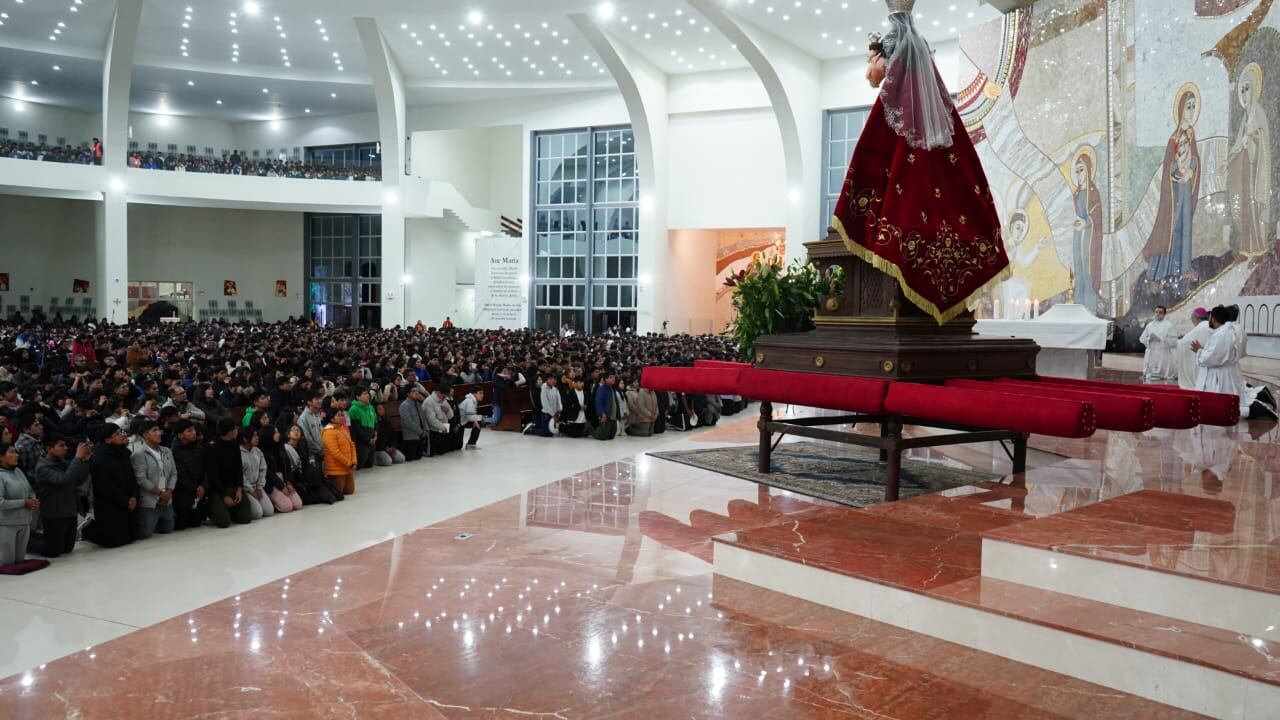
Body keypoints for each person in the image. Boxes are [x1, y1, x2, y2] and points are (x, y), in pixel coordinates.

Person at [831, 0, 1008, 324]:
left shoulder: (890, 57)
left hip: (903, 143)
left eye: (873, 58)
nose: (870, 66)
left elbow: (873, 81)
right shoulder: (921, 60)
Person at [33, 434, 91, 557]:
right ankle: (29, 540)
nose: (66, 448)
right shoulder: (42, 468)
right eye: (61, 445)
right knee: (54, 552)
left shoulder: (63, 463)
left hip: (70, 511)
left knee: (67, 550)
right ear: (49, 448)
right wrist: (77, 459)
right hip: (54, 515)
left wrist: (85, 461)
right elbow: (64, 481)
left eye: (65, 445)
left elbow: (78, 480)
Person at [87, 423, 137, 548]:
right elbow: (106, 487)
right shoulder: (99, 458)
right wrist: (126, 501)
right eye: (117, 434)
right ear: (107, 439)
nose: (122, 435)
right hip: (110, 504)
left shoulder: (124, 453)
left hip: (128, 500)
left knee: (132, 536)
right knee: (114, 541)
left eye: (121, 432)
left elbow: (132, 477)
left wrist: (133, 497)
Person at [130, 419, 177, 539]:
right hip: (150, 500)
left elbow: (173, 473)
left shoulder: (167, 451)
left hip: (167, 498)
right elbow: (141, 479)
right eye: (154, 430)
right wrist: (161, 493)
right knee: (145, 534)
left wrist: (168, 492)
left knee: (168, 529)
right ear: (145, 435)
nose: (159, 433)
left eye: (159, 430)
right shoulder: (138, 455)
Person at [206, 419, 252, 528]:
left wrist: (240, 489)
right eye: (235, 429)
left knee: (246, 518)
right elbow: (213, 476)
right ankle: (210, 509)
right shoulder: (212, 448)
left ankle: (229, 510)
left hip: (235, 488)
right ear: (229, 432)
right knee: (224, 523)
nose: (237, 431)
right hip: (219, 490)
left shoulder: (235, 445)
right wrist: (224, 496)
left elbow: (238, 469)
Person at [1191, 306, 1243, 400]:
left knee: (1218, 401)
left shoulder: (1221, 335)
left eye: (1209, 318)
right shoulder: (1232, 330)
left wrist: (1199, 351)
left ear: (1213, 319)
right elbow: (1219, 353)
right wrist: (1204, 350)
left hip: (1220, 376)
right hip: (1229, 371)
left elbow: (1210, 358)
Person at [0, 443, 38, 566]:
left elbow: (29, 489)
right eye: (11, 452)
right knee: (6, 563)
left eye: (16, 452)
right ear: (1, 456)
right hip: (6, 524)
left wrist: (33, 499)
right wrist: (24, 503)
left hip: (24, 522)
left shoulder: (18, 471)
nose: (16, 455)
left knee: (20, 561)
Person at [169, 420, 209, 530]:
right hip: (183, 492)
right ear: (180, 435)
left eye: (194, 430)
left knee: (196, 522)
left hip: (200, 492)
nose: (194, 433)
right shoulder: (174, 451)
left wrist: (203, 486)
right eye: (189, 431)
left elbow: (207, 469)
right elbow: (180, 475)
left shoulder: (200, 449)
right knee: (181, 525)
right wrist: (195, 488)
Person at [258, 426, 302, 513]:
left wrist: (289, 482)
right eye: (275, 432)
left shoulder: (280, 447)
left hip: (284, 481)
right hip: (272, 483)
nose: (278, 434)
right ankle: (272, 500)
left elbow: (288, 466)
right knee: (287, 507)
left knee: (298, 504)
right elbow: (268, 473)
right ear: (269, 435)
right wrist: (281, 486)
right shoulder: (263, 451)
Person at [239, 426, 273, 520]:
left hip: (257, 486)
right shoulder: (238, 453)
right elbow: (240, 475)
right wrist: (251, 490)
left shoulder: (258, 451)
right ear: (245, 439)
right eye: (254, 436)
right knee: (257, 513)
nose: (257, 437)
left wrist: (259, 487)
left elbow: (263, 470)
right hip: (246, 489)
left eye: (257, 435)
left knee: (269, 511)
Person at [1175, 307, 1213, 390]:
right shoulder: (1212, 327)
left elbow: (1183, 343)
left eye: (1192, 318)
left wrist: (1179, 341)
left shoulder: (1199, 329)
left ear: (1196, 318)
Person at [322, 410, 357, 496]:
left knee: (350, 491)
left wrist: (354, 461)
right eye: (339, 415)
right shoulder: (328, 432)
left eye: (342, 415)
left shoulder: (342, 429)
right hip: (336, 469)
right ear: (332, 419)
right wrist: (349, 463)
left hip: (347, 467)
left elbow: (352, 445)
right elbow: (335, 452)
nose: (342, 417)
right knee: (339, 492)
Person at [1139, 306, 1177, 383]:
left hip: (1163, 355)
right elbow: (1142, 339)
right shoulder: (1150, 325)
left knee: (1164, 379)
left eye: (1160, 312)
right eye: (1156, 312)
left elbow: (1174, 341)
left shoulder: (1169, 325)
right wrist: (1149, 339)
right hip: (1151, 354)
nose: (1158, 314)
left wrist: (1159, 339)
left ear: (1165, 314)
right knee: (1149, 379)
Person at [348, 387, 378, 470]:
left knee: (370, 465)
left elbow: (375, 422)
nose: (367, 395)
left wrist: (375, 434)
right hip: (361, 441)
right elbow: (356, 429)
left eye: (367, 393)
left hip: (372, 438)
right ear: (358, 397)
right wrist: (368, 439)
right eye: (364, 394)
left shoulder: (371, 407)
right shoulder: (353, 409)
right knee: (360, 466)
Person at [424, 387, 459, 455]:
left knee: (445, 451)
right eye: (443, 396)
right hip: (433, 430)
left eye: (446, 396)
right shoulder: (429, 402)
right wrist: (443, 427)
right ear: (439, 392)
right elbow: (432, 421)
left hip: (444, 428)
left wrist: (448, 411)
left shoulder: (443, 400)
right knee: (434, 453)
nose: (444, 398)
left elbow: (451, 416)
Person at [399, 386, 428, 461]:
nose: (416, 392)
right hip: (410, 437)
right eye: (413, 391)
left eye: (417, 391)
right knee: (412, 458)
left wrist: (425, 430)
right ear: (408, 394)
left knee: (419, 457)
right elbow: (408, 422)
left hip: (420, 436)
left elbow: (423, 418)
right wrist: (421, 432)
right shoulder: (404, 405)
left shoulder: (418, 404)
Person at [593, 373, 619, 441]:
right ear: (606, 379)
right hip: (607, 416)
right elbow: (599, 402)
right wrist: (602, 413)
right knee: (603, 437)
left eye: (613, 377)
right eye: (610, 377)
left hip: (613, 416)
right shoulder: (601, 389)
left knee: (611, 436)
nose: (613, 378)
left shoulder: (612, 389)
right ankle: (590, 430)